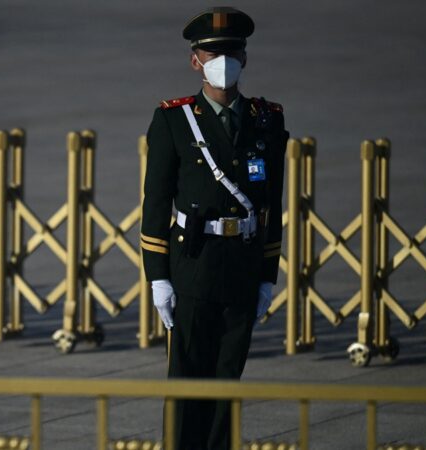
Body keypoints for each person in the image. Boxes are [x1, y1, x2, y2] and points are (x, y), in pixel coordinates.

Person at [140, 7, 289, 449]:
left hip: (242, 265)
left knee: (228, 382)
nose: (223, 62)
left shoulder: (266, 119)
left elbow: (271, 204)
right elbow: (155, 203)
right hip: (193, 266)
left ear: (244, 58)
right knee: (187, 382)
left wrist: (267, 276)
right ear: (195, 61)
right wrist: (158, 277)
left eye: (232, 53)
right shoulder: (174, 119)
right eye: (212, 54)